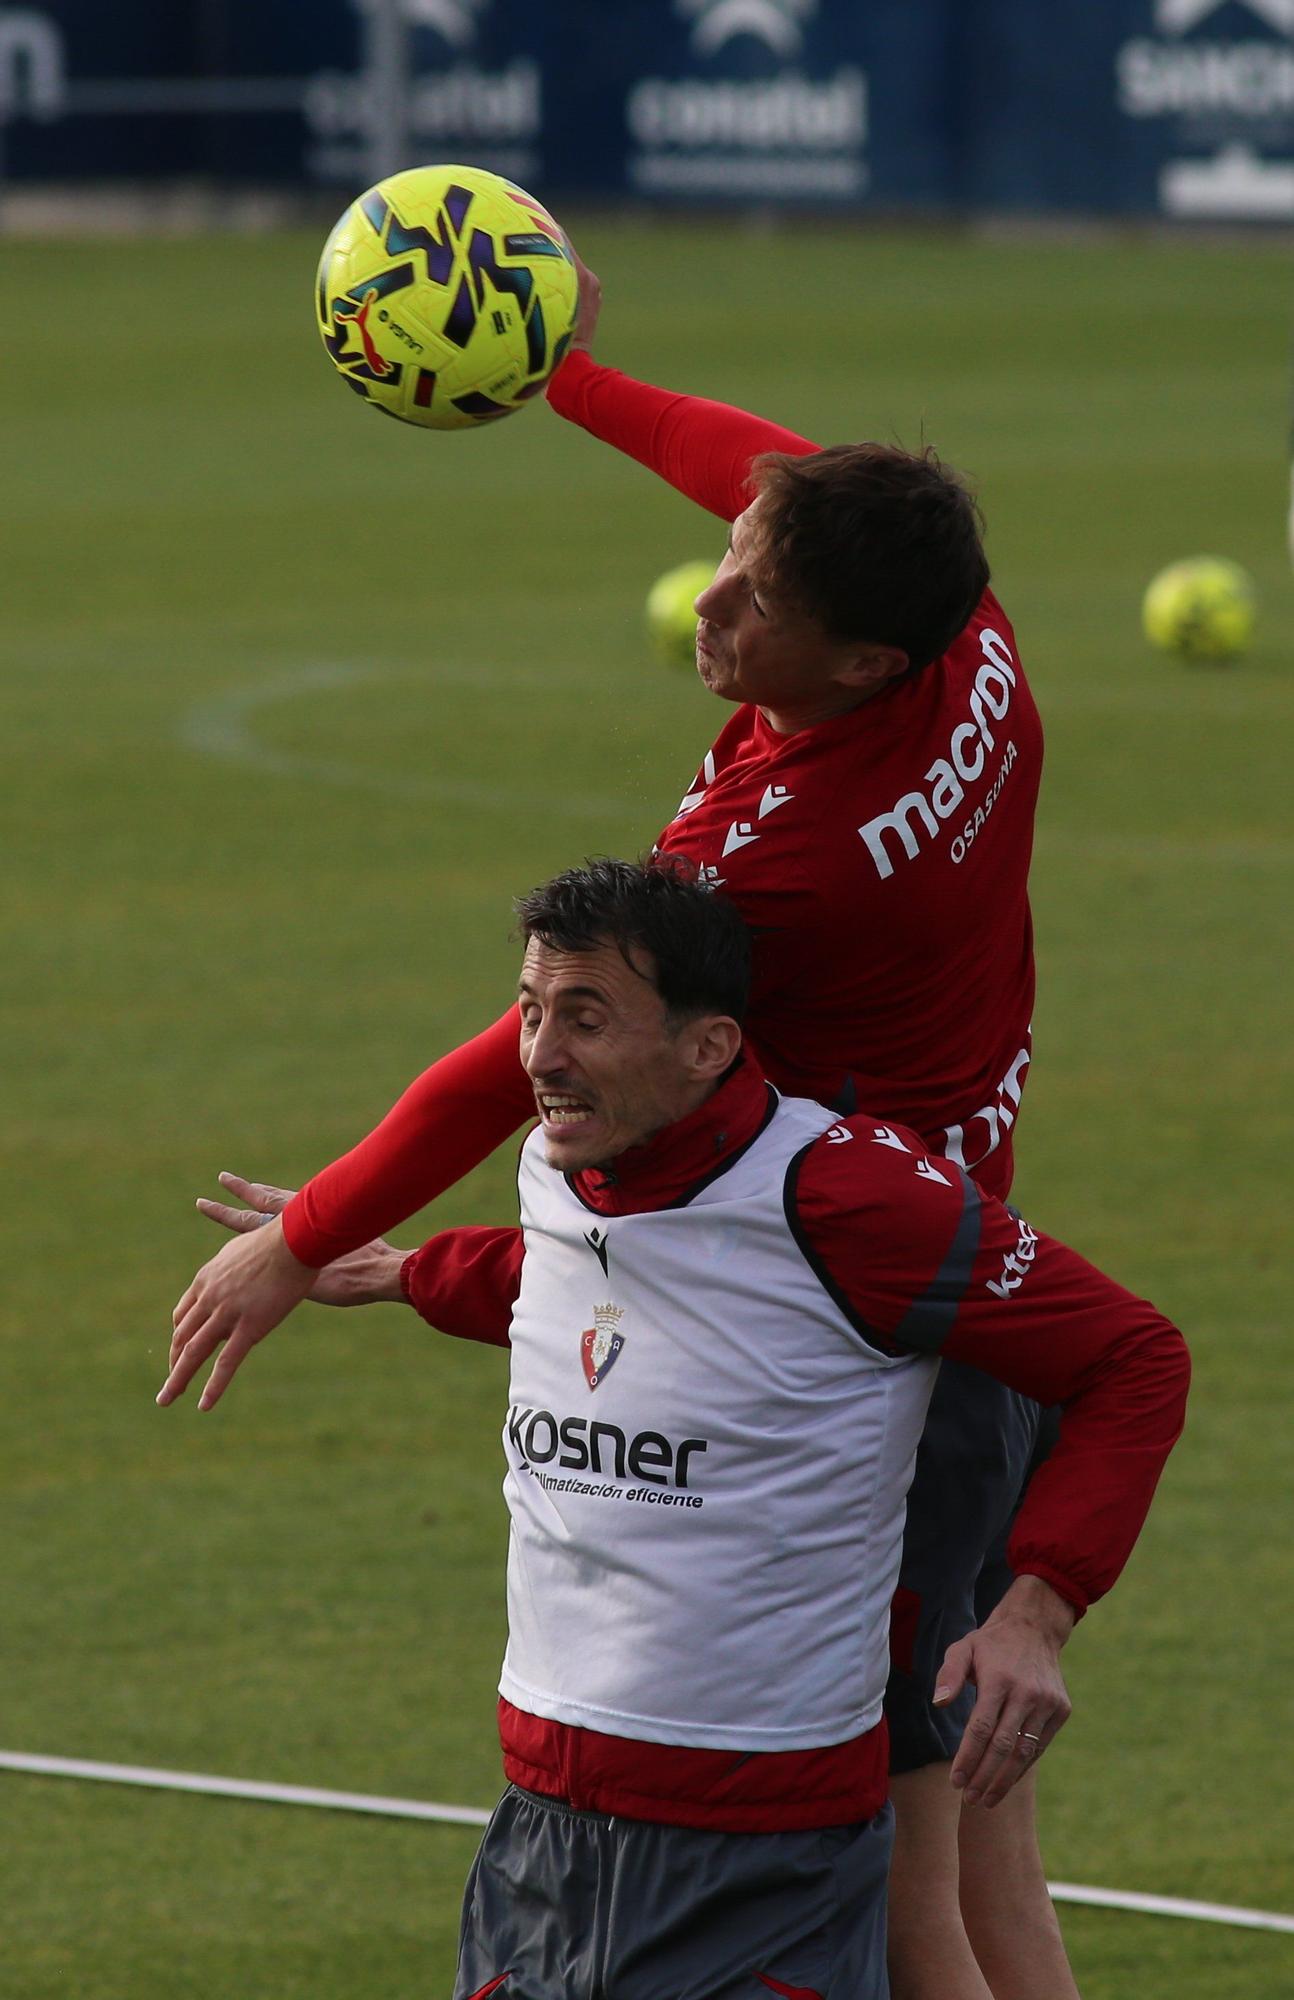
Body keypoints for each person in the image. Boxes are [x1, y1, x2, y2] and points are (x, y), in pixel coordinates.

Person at [165, 254, 1060, 1995]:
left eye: (750, 601)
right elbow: (742, 463)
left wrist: (304, 1233)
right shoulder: (962, 633)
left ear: (857, 659)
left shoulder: (775, 865)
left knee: (904, 1893)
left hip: (856, 1348)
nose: (704, 607)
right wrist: (557, 371)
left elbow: (526, 1053)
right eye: (729, 561)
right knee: (982, 1856)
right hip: (957, 1277)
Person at [161, 860, 1190, 2000]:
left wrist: (1039, 1609)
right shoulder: (566, 1168)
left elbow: (1133, 1356)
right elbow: (594, 1292)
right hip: (540, 1828)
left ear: (709, 1045)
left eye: (586, 1018)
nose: (540, 1056)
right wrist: (408, 1273)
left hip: (762, 1859)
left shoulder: (850, 1198)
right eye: (531, 1010)